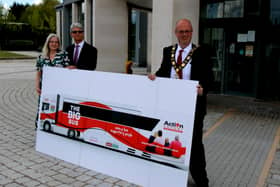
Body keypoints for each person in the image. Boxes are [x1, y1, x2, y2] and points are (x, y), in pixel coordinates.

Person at [148, 18, 213, 187]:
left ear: (191, 33)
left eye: (187, 31)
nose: (184, 35)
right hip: (171, 107)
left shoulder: (201, 52)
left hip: (194, 108)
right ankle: (172, 175)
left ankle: (201, 180)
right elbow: (163, 72)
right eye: (181, 31)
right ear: (176, 33)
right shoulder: (167, 51)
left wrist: (203, 89)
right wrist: (154, 77)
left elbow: (209, 78)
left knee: (195, 145)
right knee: (170, 140)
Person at [35, 33, 70, 128]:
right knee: (43, 108)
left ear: (59, 44)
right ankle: (40, 128)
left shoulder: (63, 54)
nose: (54, 44)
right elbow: (38, 73)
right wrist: (37, 86)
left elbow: (67, 70)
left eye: (56, 42)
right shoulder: (41, 57)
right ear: (48, 43)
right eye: (52, 42)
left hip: (59, 88)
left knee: (57, 108)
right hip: (45, 88)